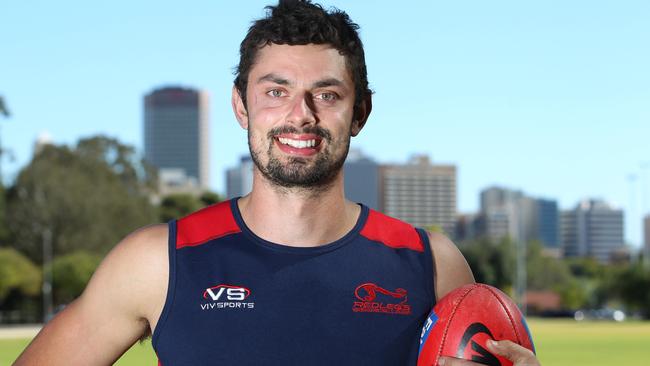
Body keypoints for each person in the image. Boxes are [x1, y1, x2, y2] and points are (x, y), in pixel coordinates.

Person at [15, 1, 540, 365]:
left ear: (360, 112)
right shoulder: (158, 260)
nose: (300, 115)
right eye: (276, 91)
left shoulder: (431, 262)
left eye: (327, 95)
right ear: (241, 105)